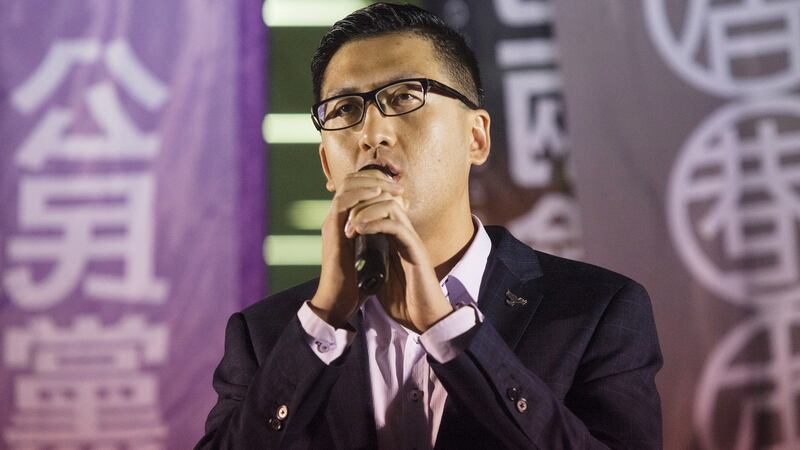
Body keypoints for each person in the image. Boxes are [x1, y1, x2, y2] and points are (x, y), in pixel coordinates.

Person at [195, 3, 662, 449]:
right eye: (345, 110)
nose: (372, 134)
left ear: (476, 137)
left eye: (404, 96)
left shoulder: (595, 312)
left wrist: (448, 329)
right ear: (326, 164)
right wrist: (325, 321)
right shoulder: (266, 337)